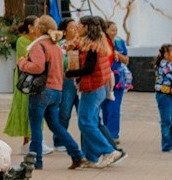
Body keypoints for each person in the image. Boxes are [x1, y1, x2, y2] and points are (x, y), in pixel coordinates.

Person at [19, 16, 82, 170]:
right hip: (56, 90)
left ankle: (36, 161)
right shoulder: (56, 47)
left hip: (41, 91)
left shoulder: (39, 45)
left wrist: (22, 63)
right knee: (56, 125)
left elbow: (38, 67)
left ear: (40, 29)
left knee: (35, 127)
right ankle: (76, 154)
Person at [70, 16, 124, 167]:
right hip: (98, 87)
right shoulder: (96, 43)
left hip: (92, 87)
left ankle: (108, 151)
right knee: (91, 121)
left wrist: (69, 73)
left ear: (86, 28)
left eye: (79, 26)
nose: (77, 28)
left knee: (85, 122)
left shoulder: (92, 46)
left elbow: (89, 68)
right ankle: (91, 157)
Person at [0, 19, 32, 144]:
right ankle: (27, 141)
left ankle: (32, 139)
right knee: (24, 107)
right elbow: (25, 56)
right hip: (25, 78)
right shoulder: (22, 41)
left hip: (34, 77)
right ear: (30, 27)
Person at [102, 21, 130, 146]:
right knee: (105, 107)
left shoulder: (120, 43)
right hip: (104, 78)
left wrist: (117, 54)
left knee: (114, 107)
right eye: (112, 30)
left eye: (116, 30)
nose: (114, 32)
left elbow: (126, 60)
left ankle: (113, 134)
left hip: (117, 78)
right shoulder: (102, 43)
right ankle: (106, 132)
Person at [153, 42, 172, 152]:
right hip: (163, 95)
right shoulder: (164, 65)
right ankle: (167, 144)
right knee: (166, 120)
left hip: (171, 95)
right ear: (166, 55)